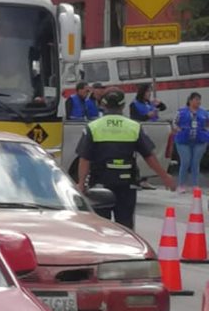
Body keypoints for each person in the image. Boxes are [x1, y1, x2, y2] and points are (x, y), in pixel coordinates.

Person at [76, 88, 176, 229]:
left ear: (103, 105)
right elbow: (149, 156)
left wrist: (81, 183)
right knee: (125, 227)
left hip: (100, 184)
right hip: (126, 185)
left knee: (100, 228)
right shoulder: (134, 127)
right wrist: (164, 176)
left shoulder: (93, 127)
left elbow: (84, 158)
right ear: (123, 106)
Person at [175, 92, 209, 192]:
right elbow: (174, 123)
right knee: (185, 161)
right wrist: (178, 129)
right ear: (190, 100)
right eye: (196, 99)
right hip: (183, 140)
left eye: (199, 99)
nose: (198, 102)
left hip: (200, 140)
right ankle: (181, 184)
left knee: (195, 162)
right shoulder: (181, 112)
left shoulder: (204, 112)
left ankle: (195, 185)